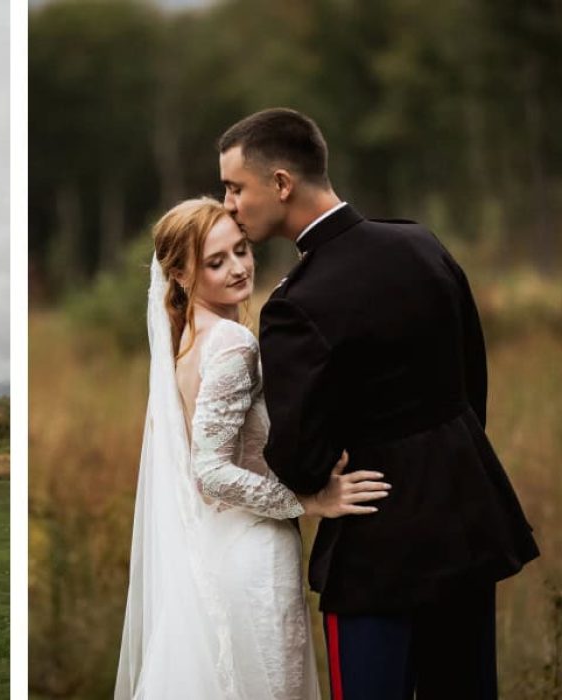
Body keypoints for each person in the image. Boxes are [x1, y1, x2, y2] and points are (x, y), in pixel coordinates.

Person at [218, 107, 539, 699]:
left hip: (376, 547)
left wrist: (316, 486)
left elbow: (300, 455)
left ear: (282, 184)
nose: (231, 204)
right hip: (468, 518)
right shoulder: (420, 243)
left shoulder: (296, 304)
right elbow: (472, 384)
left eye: (236, 187)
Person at [115, 197, 390, 699]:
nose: (239, 268)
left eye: (241, 250)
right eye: (216, 262)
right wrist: (308, 501)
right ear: (179, 275)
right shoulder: (232, 344)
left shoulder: (185, 347)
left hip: (213, 548)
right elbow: (210, 470)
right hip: (254, 553)